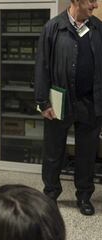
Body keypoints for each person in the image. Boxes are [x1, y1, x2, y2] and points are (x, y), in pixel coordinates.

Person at [35, 0, 102, 215]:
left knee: (87, 154)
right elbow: (42, 66)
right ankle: (51, 195)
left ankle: (84, 196)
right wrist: (42, 102)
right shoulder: (53, 28)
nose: (95, 6)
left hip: (90, 102)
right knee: (53, 152)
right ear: (75, 1)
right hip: (59, 101)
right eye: (91, 1)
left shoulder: (98, 28)